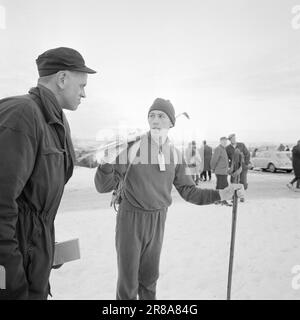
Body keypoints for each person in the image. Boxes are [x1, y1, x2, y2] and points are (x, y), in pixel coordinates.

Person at [94, 98, 244, 300]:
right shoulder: (132, 148)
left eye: (161, 116)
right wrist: (106, 162)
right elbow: (102, 186)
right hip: (131, 219)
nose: (155, 119)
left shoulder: (174, 153)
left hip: (158, 220)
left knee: (149, 280)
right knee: (128, 283)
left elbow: (190, 192)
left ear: (171, 123)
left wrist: (221, 193)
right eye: (152, 115)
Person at [0, 47, 96, 299]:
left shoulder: (56, 121)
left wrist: (45, 252)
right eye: (82, 85)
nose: (84, 93)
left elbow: (34, 207)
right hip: (14, 272)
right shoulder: (22, 113)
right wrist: (11, 279)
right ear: (62, 79)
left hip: (34, 263)